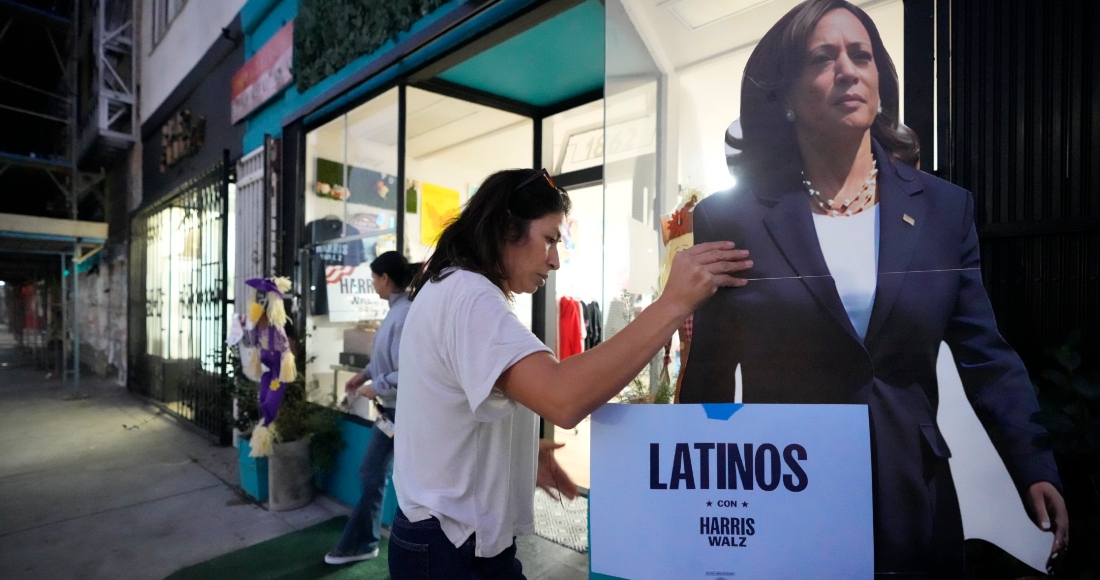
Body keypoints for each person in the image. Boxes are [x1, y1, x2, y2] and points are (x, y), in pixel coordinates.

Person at [678, 0, 1067, 577]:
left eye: (861, 55)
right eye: (823, 57)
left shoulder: (943, 209)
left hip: (913, 490)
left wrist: (1032, 460)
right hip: (787, 489)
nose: (848, 69)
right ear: (785, 93)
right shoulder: (732, 219)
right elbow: (711, 372)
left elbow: (986, 355)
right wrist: (694, 500)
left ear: (881, 81)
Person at [388, 168, 751, 579]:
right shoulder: (469, 295)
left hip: (444, 541)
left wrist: (515, 453)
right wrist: (672, 304)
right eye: (549, 239)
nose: (555, 259)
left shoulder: (451, 287)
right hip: (450, 550)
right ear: (507, 226)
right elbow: (562, 397)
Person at [324, 251, 416, 565]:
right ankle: (365, 541)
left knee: (374, 474)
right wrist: (365, 375)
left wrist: (373, 386)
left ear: (385, 278)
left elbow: (411, 371)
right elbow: (388, 360)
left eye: (374, 278)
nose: (373, 284)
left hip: (400, 413)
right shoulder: (398, 312)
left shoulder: (403, 314)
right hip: (391, 412)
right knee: (373, 475)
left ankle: (362, 542)